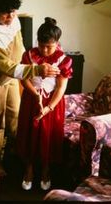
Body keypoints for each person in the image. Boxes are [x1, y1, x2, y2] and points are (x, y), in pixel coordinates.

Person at [0, 0, 61, 177]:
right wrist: (37, 70)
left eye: (14, 11)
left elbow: (20, 50)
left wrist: (37, 59)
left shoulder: (13, 19)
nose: (12, 16)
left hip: (14, 78)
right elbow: (7, 66)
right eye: (6, 13)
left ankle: (13, 152)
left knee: (16, 116)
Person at [16, 17, 72, 191]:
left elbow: (61, 87)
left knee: (48, 135)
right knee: (29, 133)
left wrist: (49, 107)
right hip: (31, 98)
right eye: (41, 45)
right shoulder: (28, 55)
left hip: (52, 102)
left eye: (49, 46)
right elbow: (24, 80)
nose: (45, 50)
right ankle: (29, 168)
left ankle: (46, 169)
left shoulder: (64, 60)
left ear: (57, 43)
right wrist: (35, 96)